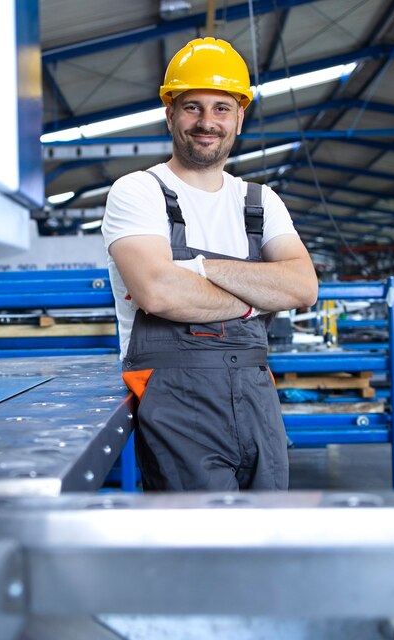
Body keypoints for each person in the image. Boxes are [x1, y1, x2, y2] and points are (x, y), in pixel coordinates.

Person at [101, 37, 318, 491]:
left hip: (257, 395)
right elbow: (158, 291)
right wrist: (254, 299)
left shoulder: (260, 201)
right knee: (200, 543)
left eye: (222, 108)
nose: (207, 122)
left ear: (240, 117)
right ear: (169, 114)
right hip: (176, 399)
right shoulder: (138, 191)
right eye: (192, 107)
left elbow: (301, 288)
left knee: (267, 534)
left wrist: (198, 269)